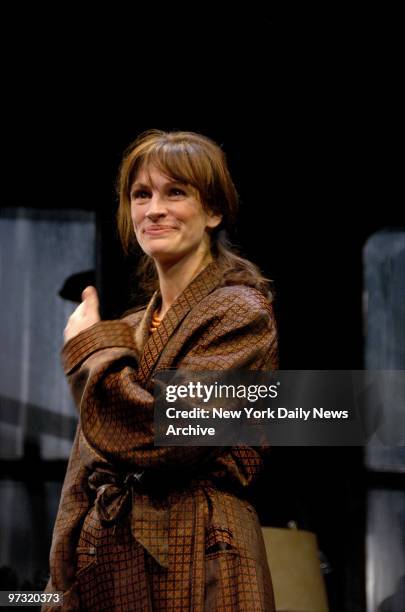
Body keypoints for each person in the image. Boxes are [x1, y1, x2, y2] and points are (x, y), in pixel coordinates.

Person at [44, 130, 279, 611]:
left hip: (201, 552)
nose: (154, 209)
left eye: (176, 192)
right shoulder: (128, 329)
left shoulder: (240, 312)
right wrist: (55, 585)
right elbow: (83, 470)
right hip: (111, 556)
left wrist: (92, 352)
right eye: (141, 194)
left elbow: (170, 431)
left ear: (212, 211)